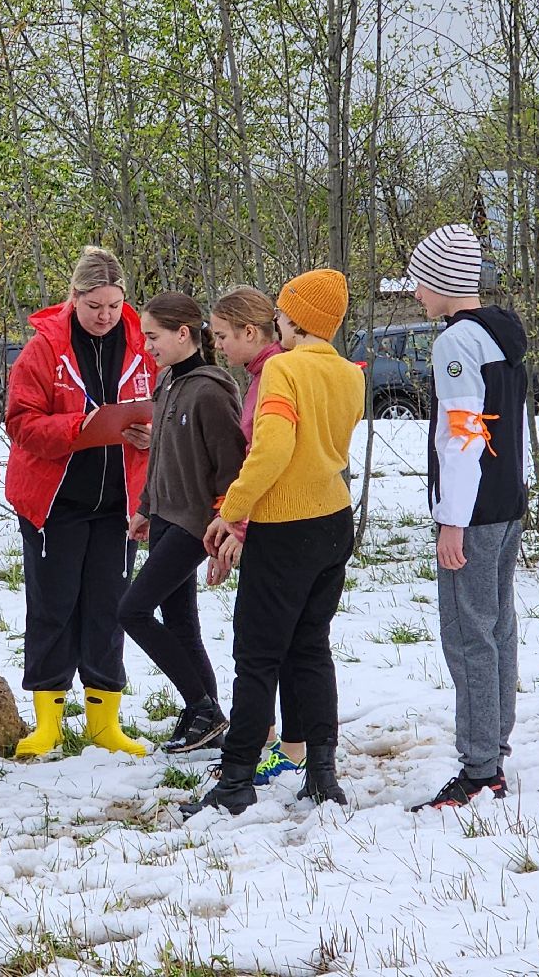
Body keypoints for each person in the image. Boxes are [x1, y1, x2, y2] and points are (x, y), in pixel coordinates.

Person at [183, 269, 365, 816]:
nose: (277, 322)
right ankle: (322, 774)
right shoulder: (349, 374)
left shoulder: (284, 369)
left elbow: (272, 451)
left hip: (285, 525)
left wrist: (231, 511)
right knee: (311, 648)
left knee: (257, 656)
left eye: (283, 313)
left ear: (296, 319)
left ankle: (237, 778)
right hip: (335, 520)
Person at [5, 246, 157, 758]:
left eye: (114, 305)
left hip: (119, 504)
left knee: (109, 609)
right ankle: (47, 723)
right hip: (55, 504)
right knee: (53, 608)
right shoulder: (43, 349)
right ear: (74, 297)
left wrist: (149, 436)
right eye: (94, 306)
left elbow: (166, 408)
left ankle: (103, 724)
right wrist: (82, 428)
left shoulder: (142, 345)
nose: (105, 316)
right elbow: (21, 424)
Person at [403, 224, 529, 811]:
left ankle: (479, 770)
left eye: (419, 282)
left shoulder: (457, 342)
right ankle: (492, 746)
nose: (415, 294)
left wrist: (451, 519)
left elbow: (463, 435)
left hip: (473, 511)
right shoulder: (502, 332)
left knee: (467, 633)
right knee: (497, 626)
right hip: (506, 502)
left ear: (442, 281)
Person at [119, 292, 245, 753]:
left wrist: (227, 526)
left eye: (153, 336)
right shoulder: (168, 381)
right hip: (164, 517)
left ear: (183, 334)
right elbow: (161, 456)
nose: (147, 345)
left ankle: (202, 706)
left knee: (131, 611)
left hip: (196, 523)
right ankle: (204, 717)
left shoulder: (211, 391)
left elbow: (232, 468)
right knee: (181, 623)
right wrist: (145, 507)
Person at [208, 285, 304, 784]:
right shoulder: (261, 374)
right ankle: (274, 743)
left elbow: (267, 459)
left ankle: (273, 750)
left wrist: (237, 524)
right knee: (281, 641)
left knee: (264, 644)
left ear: (251, 331)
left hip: (278, 523)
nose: (217, 345)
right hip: (274, 520)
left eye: (222, 335)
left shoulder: (275, 375)